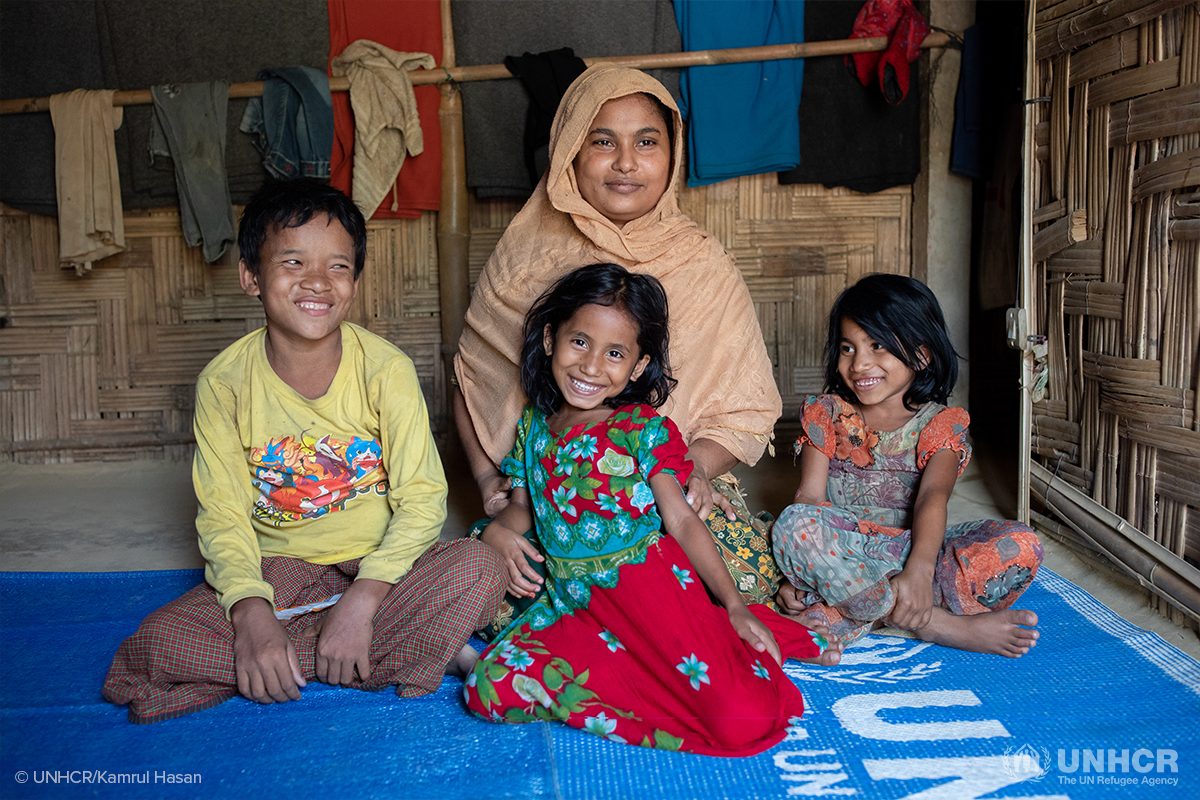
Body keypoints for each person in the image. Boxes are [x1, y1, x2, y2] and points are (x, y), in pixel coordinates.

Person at [102, 179, 505, 724]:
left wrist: (361, 602)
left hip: (379, 570)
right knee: (156, 645)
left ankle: (306, 653)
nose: (317, 281)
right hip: (279, 575)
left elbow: (424, 500)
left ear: (355, 282)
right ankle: (401, 648)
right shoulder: (224, 384)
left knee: (476, 565)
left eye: (338, 266)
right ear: (251, 276)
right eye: (293, 262)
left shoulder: (386, 370)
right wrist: (251, 616)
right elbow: (223, 517)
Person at [455, 64, 784, 637]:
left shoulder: (703, 263)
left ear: (671, 154)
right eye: (603, 141)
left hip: (667, 487)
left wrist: (697, 470)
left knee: (744, 578)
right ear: (569, 155)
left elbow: (741, 403)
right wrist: (488, 483)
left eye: (647, 142)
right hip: (548, 493)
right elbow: (472, 376)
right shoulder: (522, 258)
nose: (626, 162)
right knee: (485, 592)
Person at [463, 263, 830, 756]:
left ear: (637, 366)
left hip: (655, 596)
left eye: (614, 353)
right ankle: (525, 662)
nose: (592, 367)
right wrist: (495, 533)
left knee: (741, 718)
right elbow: (523, 513)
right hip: (577, 605)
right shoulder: (534, 430)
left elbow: (680, 520)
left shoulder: (640, 428)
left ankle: (734, 633)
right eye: (580, 342)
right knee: (486, 691)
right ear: (550, 339)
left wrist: (735, 606)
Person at [772, 274, 1043, 656]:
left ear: (921, 354)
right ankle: (936, 624)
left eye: (877, 345)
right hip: (846, 555)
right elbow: (810, 498)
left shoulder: (940, 424)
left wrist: (919, 570)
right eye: (848, 348)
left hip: (914, 554)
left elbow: (933, 497)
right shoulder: (827, 413)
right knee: (792, 525)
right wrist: (800, 574)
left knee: (1022, 543)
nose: (860, 363)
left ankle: (848, 612)